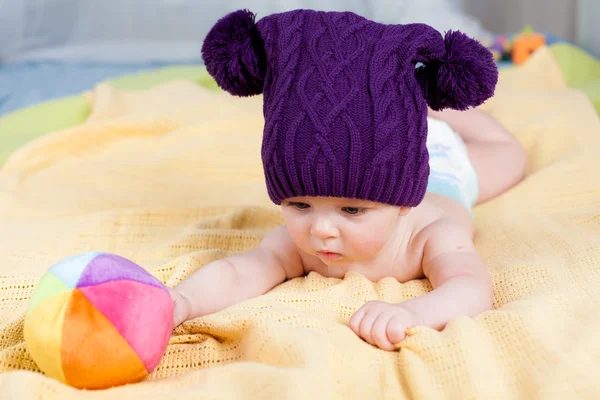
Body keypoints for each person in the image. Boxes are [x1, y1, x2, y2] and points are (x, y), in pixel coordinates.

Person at [168, 9, 527, 351]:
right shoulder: (300, 244)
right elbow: (238, 272)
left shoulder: (429, 236)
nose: (321, 229)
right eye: (299, 204)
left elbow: (470, 287)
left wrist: (414, 313)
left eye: (352, 210)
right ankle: (406, 105)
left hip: (445, 170)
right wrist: (182, 301)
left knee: (508, 153)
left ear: (403, 205)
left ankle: (423, 104)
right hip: (378, 148)